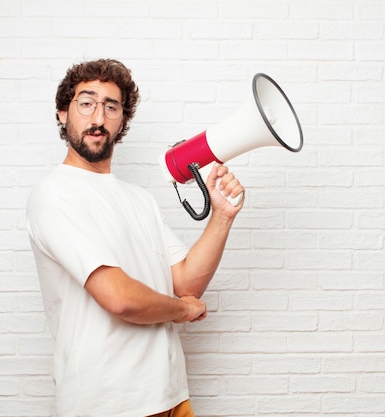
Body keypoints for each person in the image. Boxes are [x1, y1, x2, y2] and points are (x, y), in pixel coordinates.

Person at [26, 58, 244, 417]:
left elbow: (187, 282)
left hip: (170, 397)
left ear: (122, 121)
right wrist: (182, 311)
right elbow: (119, 297)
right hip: (108, 405)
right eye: (86, 103)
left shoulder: (139, 199)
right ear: (64, 113)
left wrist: (221, 216)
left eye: (111, 106)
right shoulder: (54, 195)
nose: (98, 118)